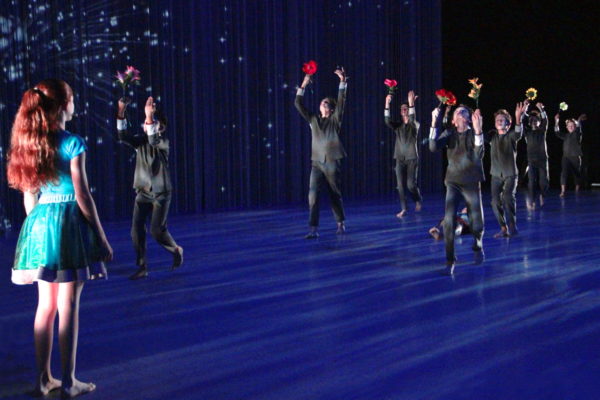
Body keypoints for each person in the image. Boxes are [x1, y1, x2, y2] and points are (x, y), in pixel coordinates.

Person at [7, 79, 112, 398]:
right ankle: (68, 381)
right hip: (68, 225)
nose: (74, 103)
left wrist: (37, 231)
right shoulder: (72, 143)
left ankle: (43, 379)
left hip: (41, 223)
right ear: (64, 105)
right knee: (68, 306)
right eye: (73, 98)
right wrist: (101, 238)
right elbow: (82, 195)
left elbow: (30, 197)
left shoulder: (32, 143)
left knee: (46, 305)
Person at [117, 96, 183, 279]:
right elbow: (122, 136)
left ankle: (175, 249)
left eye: (154, 122)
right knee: (136, 230)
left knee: (156, 230)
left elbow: (154, 140)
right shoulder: (140, 141)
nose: (148, 125)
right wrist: (121, 111)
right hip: (143, 191)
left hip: (161, 193)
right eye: (147, 123)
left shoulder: (163, 143)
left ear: (161, 127)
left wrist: (149, 116)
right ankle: (142, 266)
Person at [429, 105, 485, 275]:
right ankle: (450, 260)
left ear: (469, 119)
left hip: (471, 182)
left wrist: (478, 130)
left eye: (464, 111)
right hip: (453, 182)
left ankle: (478, 243)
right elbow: (433, 147)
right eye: (457, 111)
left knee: (477, 222)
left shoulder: (474, 133)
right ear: (453, 120)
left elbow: (479, 154)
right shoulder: (449, 133)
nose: (461, 112)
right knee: (449, 221)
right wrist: (434, 122)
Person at [294, 67, 348, 239]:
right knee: (313, 195)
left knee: (334, 193)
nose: (323, 104)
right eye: (322, 102)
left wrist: (342, 82)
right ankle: (313, 229)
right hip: (317, 162)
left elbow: (341, 102)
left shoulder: (335, 120)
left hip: (332, 161)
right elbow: (298, 104)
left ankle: (340, 223)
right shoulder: (313, 119)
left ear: (331, 109)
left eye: (326, 103)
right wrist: (304, 84)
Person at [485, 104, 525, 237]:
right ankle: (503, 227)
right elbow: (480, 134)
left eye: (502, 120)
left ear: (508, 123)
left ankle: (512, 227)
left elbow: (518, 133)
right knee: (495, 202)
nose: (499, 121)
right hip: (496, 175)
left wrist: (518, 117)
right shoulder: (492, 136)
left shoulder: (511, 136)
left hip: (510, 175)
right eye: (497, 120)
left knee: (508, 197)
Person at [384, 90, 423, 217]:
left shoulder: (415, 125)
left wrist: (411, 104)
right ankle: (404, 208)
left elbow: (412, 119)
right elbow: (387, 121)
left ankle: (417, 199)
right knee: (400, 185)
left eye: (406, 108)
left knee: (411, 185)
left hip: (412, 157)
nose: (404, 110)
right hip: (399, 157)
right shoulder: (398, 126)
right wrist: (387, 103)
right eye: (402, 109)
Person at [522, 101, 549, 209]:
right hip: (531, 160)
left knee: (543, 182)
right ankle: (532, 201)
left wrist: (541, 109)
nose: (533, 122)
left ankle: (542, 195)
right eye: (531, 120)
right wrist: (525, 107)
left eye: (536, 120)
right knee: (531, 183)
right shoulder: (527, 132)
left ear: (539, 121)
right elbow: (522, 120)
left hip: (542, 160)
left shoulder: (542, 131)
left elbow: (545, 120)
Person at [554, 112, 587, 197]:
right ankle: (563, 191)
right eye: (569, 126)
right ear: (567, 127)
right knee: (563, 173)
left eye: (572, 126)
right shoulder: (565, 136)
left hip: (575, 157)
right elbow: (557, 132)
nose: (571, 127)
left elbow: (579, 126)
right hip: (566, 157)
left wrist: (578, 120)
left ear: (575, 126)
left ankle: (577, 190)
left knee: (576, 175)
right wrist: (556, 121)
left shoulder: (577, 133)